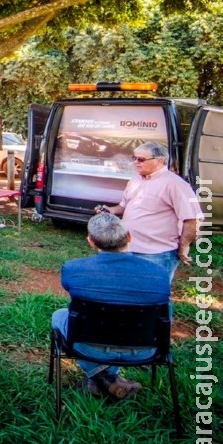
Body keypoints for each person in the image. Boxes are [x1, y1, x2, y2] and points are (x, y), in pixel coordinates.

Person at [51, 213, 171, 399]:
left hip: (87, 346)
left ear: (91, 241)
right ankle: (108, 379)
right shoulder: (159, 274)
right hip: (146, 349)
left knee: (59, 315)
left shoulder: (73, 269)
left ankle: (101, 377)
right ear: (129, 236)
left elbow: (70, 289)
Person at [97, 142, 202, 281]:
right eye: (134, 158)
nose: (136, 162)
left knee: (152, 295)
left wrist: (184, 246)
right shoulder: (135, 180)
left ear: (160, 161)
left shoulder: (175, 184)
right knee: (128, 289)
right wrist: (110, 210)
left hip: (157, 254)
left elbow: (193, 218)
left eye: (141, 159)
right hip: (127, 248)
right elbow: (125, 205)